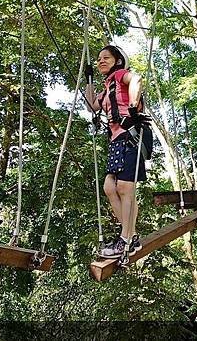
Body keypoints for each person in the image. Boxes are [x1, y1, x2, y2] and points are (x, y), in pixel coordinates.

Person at [85, 45, 153, 258]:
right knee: (109, 187)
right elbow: (91, 106)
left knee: (124, 187)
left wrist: (133, 106)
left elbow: (137, 79)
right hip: (117, 140)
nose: (101, 61)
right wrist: (89, 81)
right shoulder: (106, 88)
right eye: (99, 59)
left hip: (131, 134)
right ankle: (130, 235)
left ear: (118, 61)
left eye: (106, 58)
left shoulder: (121, 75)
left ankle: (125, 239)